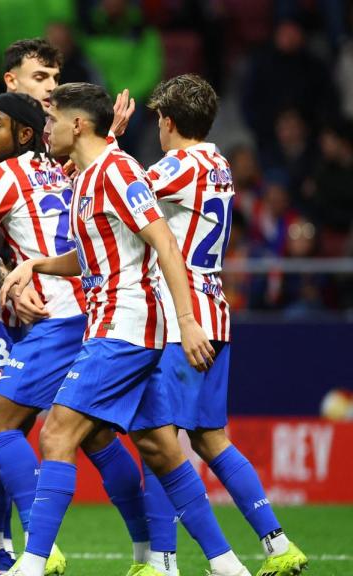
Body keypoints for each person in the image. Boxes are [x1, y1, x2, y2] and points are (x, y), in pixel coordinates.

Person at [0, 82, 249, 576]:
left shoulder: (116, 173)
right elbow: (93, 257)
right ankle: (227, 564)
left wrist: (187, 322)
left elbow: (166, 245)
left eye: (52, 120)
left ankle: (30, 564)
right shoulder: (90, 177)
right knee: (159, 447)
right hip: (119, 323)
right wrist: (38, 267)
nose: (44, 130)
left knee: (56, 436)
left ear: (77, 124)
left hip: (127, 325)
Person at [0, 91, 155, 575]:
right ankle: (148, 553)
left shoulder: (8, 176)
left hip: (58, 317)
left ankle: (38, 546)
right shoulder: (72, 168)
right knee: (93, 436)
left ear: (26, 133)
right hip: (98, 308)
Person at [133, 74, 308, 576]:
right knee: (212, 439)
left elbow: (123, 194)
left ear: (167, 122)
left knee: (160, 439)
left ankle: (161, 562)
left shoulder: (177, 165)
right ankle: (278, 545)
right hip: (215, 310)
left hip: (178, 317)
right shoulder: (220, 163)